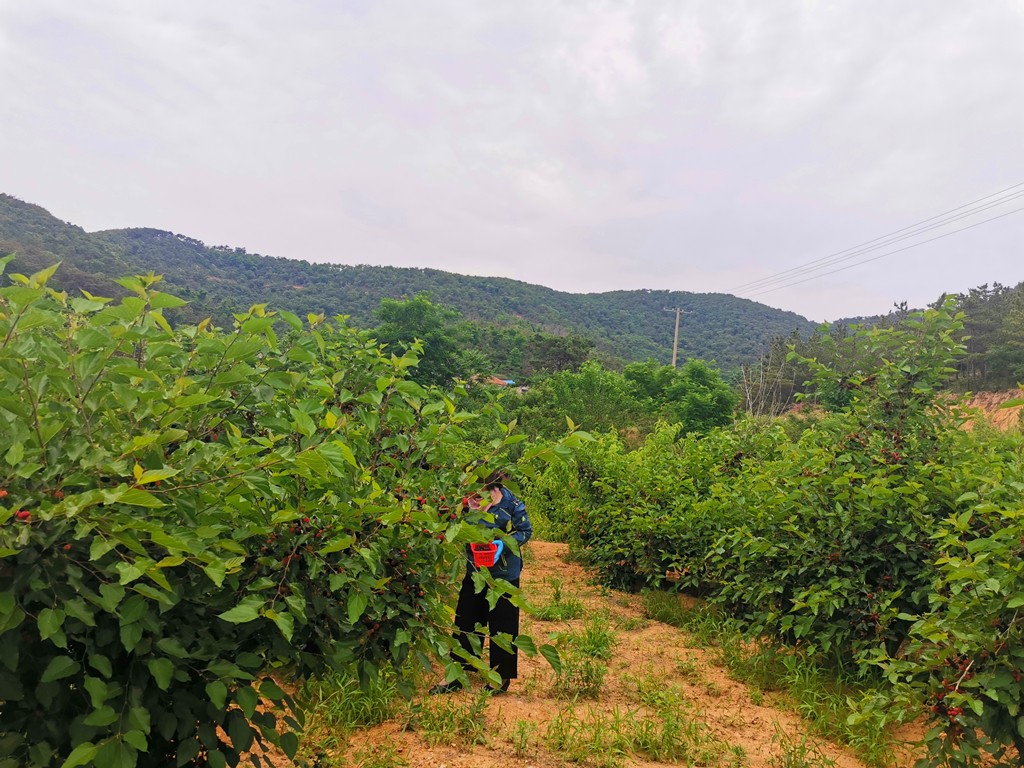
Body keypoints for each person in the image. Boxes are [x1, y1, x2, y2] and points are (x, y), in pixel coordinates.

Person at [430, 471, 533, 696]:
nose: (473, 496)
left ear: (492, 488)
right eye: (469, 491)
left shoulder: (511, 504)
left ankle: (500, 676)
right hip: (476, 570)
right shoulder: (465, 504)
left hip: (504, 573)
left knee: (503, 624)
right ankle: (456, 674)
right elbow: (450, 524)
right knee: (465, 619)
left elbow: (525, 531)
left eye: (479, 492)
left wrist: (502, 544)